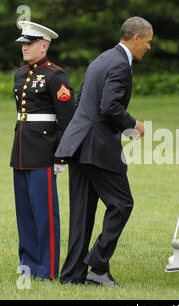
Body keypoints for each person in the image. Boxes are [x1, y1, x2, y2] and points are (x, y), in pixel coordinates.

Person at [56, 17, 153, 287]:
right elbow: (109, 106)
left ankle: (72, 275)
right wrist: (133, 124)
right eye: (147, 42)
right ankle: (97, 267)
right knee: (122, 204)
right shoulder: (121, 64)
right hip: (96, 148)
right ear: (135, 38)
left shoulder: (101, 59)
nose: (148, 47)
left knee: (82, 213)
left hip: (79, 145)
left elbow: (81, 102)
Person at [11, 21, 75, 280]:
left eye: (30, 43)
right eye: (23, 43)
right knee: (24, 212)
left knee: (45, 214)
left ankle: (46, 269)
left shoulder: (55, 75)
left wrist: (62, 154)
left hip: (45, 151)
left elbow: (67, 119)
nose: (24, 47)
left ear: (44, 45)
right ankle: (27, 264)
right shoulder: (19, 74)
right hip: (22, 150)